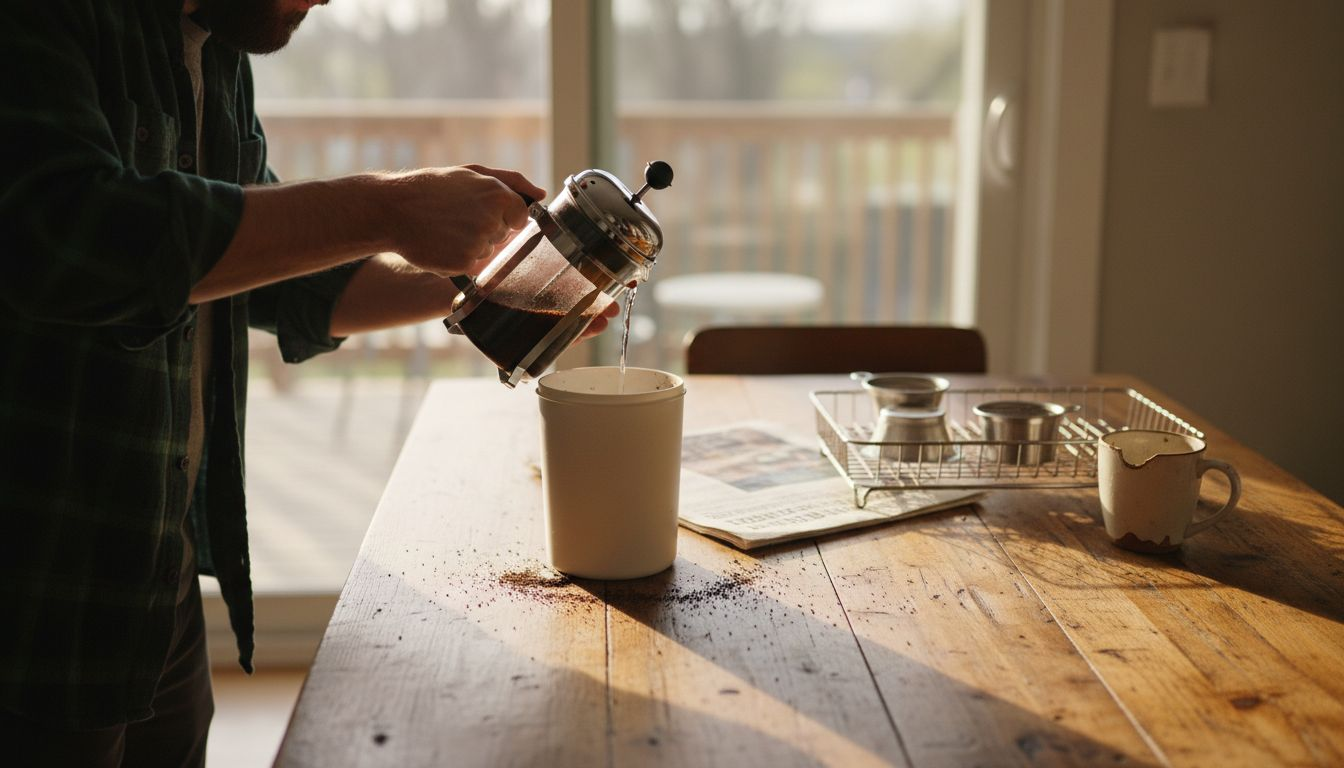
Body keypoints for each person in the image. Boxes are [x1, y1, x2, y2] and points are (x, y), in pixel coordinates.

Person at [0, 1, 617, 764]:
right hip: (37, 582)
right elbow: (68, 235)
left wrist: (491, 284)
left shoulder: (213, 52)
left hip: (148, 566)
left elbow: (276, 282)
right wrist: (385, 208)